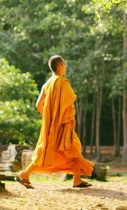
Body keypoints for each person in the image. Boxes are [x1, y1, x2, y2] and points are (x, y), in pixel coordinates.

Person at [18, 55, 95, 189]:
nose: (65, 67)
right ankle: (25, 174)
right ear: (59, 66)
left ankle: (77, 180)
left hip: (52, 125)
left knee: (56, 150)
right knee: (70, 148)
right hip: (63, 125)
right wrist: (59, 119)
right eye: (64, 65)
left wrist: (50, 119)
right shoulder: (62, 82)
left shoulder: (47, 84)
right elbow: (67, 104)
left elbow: (38, 104)